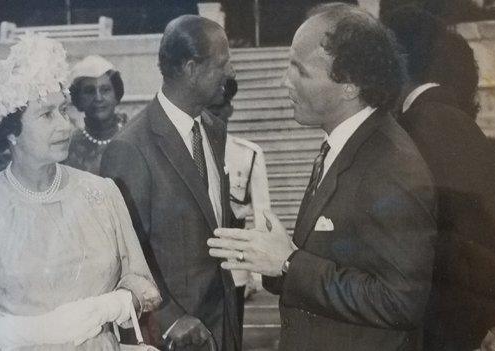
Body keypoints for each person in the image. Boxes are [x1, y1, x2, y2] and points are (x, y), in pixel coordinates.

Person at [208, 4, 437, 350]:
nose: (285, 80)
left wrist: (289, 262)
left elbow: (400, 301)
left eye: (300, 69)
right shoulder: (346, 146)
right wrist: (272, 260)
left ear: (349, 85)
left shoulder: (390, 166)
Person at [0, 34, 161, 350]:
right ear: (11, 131)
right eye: (46, 115)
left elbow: (143, 284)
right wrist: (34, 331)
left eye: (64, 111)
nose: (65, 126)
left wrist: (113, 305)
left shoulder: (102, 194)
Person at [383, 7, 495, 350]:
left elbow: (448, 242)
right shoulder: (456, 123)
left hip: (445, 328)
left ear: (398, 62)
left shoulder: (420, 126)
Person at [101, 15, 240, 351]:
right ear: (192, 68)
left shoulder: (213, 129)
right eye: (223, 64)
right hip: (173, 337)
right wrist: (171, 318)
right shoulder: (130, 148)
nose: (231, 74)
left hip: (223, 326)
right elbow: (120, 255)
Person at [207, 77, 271, 341]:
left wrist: (256, 273)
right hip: (196, 271)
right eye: (208, 109)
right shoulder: (187, 152)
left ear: (230, 108)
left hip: (234, 267)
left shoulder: (248, 154)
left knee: (231, 340)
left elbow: (262, 218)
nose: (214, 115)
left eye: (220, 108)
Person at [64, 55, 128, 175]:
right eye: (89, 91)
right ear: (78, 98)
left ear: (116, 94)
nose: (98, 98)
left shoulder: (132, 136)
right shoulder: (68, 147)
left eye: (105, 90)